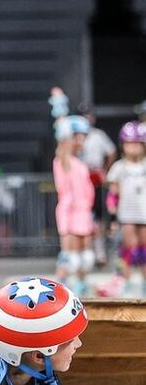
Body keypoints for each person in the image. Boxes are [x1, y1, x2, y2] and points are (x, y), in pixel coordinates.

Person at [52, 116, 96, 296]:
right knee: (69, 256)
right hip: (69, 212)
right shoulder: (63, 160)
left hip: (84, 211)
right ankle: (58, 287)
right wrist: (62, 116)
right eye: (78, 136)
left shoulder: (79, 163)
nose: (82, 141)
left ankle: (81, 284)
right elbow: (64, 146)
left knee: (85, 257)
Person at [104, 121, 146, 297]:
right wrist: (112, 220)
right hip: (127, 214)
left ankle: (144, 283)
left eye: (137, 143)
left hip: (144, 214)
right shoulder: (119, 167)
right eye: (129, 143)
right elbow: (113, 194)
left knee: (144, 251)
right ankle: (126, 283)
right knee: (129, 249)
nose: (133, 147)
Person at [77, 104, 117, 267]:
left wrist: (106, 170)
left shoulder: (98, 135)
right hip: (79, 180)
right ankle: (83, 254)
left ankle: (100, 254)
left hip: (95, 179)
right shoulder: (76, 138)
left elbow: (111, 151)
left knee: (98, 218)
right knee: (83, 217)